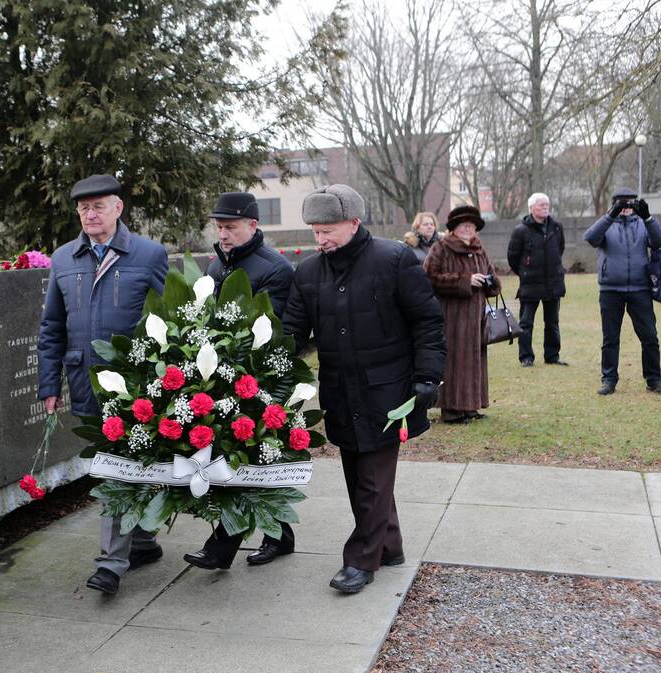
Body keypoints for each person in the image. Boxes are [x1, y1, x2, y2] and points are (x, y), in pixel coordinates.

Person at [282, 185, 445, 594]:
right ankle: (389, 545)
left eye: (328, 231)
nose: (320, 240)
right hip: (339, 388)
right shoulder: (308, 273)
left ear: (354, 223)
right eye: (315, 232)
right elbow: (291, 333)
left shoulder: (393, 259)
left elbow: (427, 320)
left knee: (373, 476)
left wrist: (429, 376)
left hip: (389, 391)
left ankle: (360, 560)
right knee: (358, 475)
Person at [37, 174, 169, 594]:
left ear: (118, 209)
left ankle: (111, 564)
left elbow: (170, 319)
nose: (90, 215)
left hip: (133, 386)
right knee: (116, 465)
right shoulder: (64, 259)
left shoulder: (148, 255)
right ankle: (143, 541)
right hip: (83, 381)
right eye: (83, 209)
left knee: (116, 467)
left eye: (98, 207)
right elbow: (52, 327)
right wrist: (49, 384)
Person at [183, 192, 296, 571]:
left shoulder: (275, 269)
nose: (223, 234)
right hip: (220, 376)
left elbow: (267, 329)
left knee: (243, 460)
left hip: (257, 378)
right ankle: (279, 535)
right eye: (219, 227)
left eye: (230, 227)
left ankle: (221, 549)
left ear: (253, 226)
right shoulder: (217, 266)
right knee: (238, 461)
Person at [582, 187, 661, 396]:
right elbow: (590, 238)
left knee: (649, 336)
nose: (626, 207)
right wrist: (610, 215)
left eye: (630, 203)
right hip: (610, 290)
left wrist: (648, 217)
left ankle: (654, 380)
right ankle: (609, 380)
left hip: (640, 289)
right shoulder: (606, 224)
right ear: (614, 204)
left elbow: (660, 243)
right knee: (610, 338)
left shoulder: (643, 224)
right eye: (621, 203)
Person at [423, 205, 501, 424]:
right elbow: (429, 277)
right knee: (454, 362)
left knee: (475, 362)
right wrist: (464, 281)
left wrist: (490, 282)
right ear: (454, 229)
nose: (468, 230)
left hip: (477, 319)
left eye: (472, 226)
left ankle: (470, 406)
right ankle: (452, 409)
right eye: (464, 226)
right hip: (452, 318)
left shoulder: (479, 249)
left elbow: (493, 279)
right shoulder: (441, 248)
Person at [508, 193, 567, 367]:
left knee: (552, 322)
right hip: (530, 284)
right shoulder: (521, 230)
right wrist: (525, 272)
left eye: (547, 204)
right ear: (532, 208)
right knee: (526, 322)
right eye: (541, 205)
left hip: (553, 283)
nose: (545, 207)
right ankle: (526, 357)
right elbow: (513, 257)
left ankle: (552, 356)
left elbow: (560, 249)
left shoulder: (557, 227)